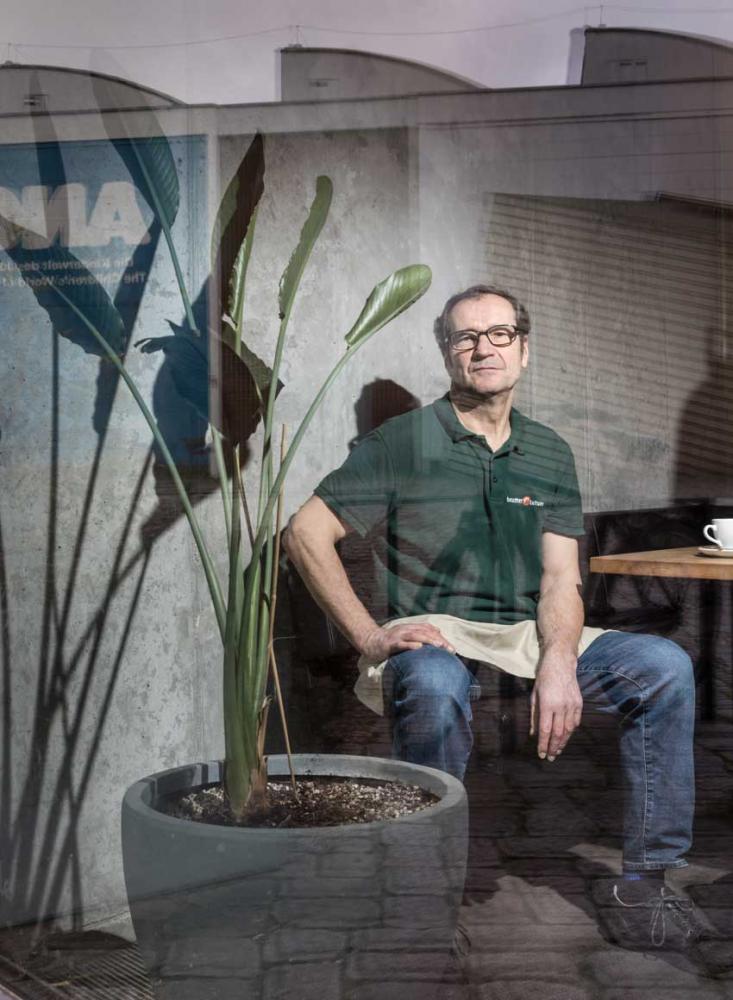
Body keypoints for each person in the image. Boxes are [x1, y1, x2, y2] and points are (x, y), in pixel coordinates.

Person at [284, 284, 721, 965]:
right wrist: (370, 636)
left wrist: (557, 660)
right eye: (464, 337)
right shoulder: (402, 442)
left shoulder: (548, 452)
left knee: (662, 668)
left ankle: (641, 885)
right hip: (434, 630)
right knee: (429, 683)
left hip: (522, 633)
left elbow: (557, 578)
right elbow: (305, 533)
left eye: (497, 333)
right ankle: (423, 905)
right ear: (447, 353)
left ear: (524, 347)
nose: (481, 346)